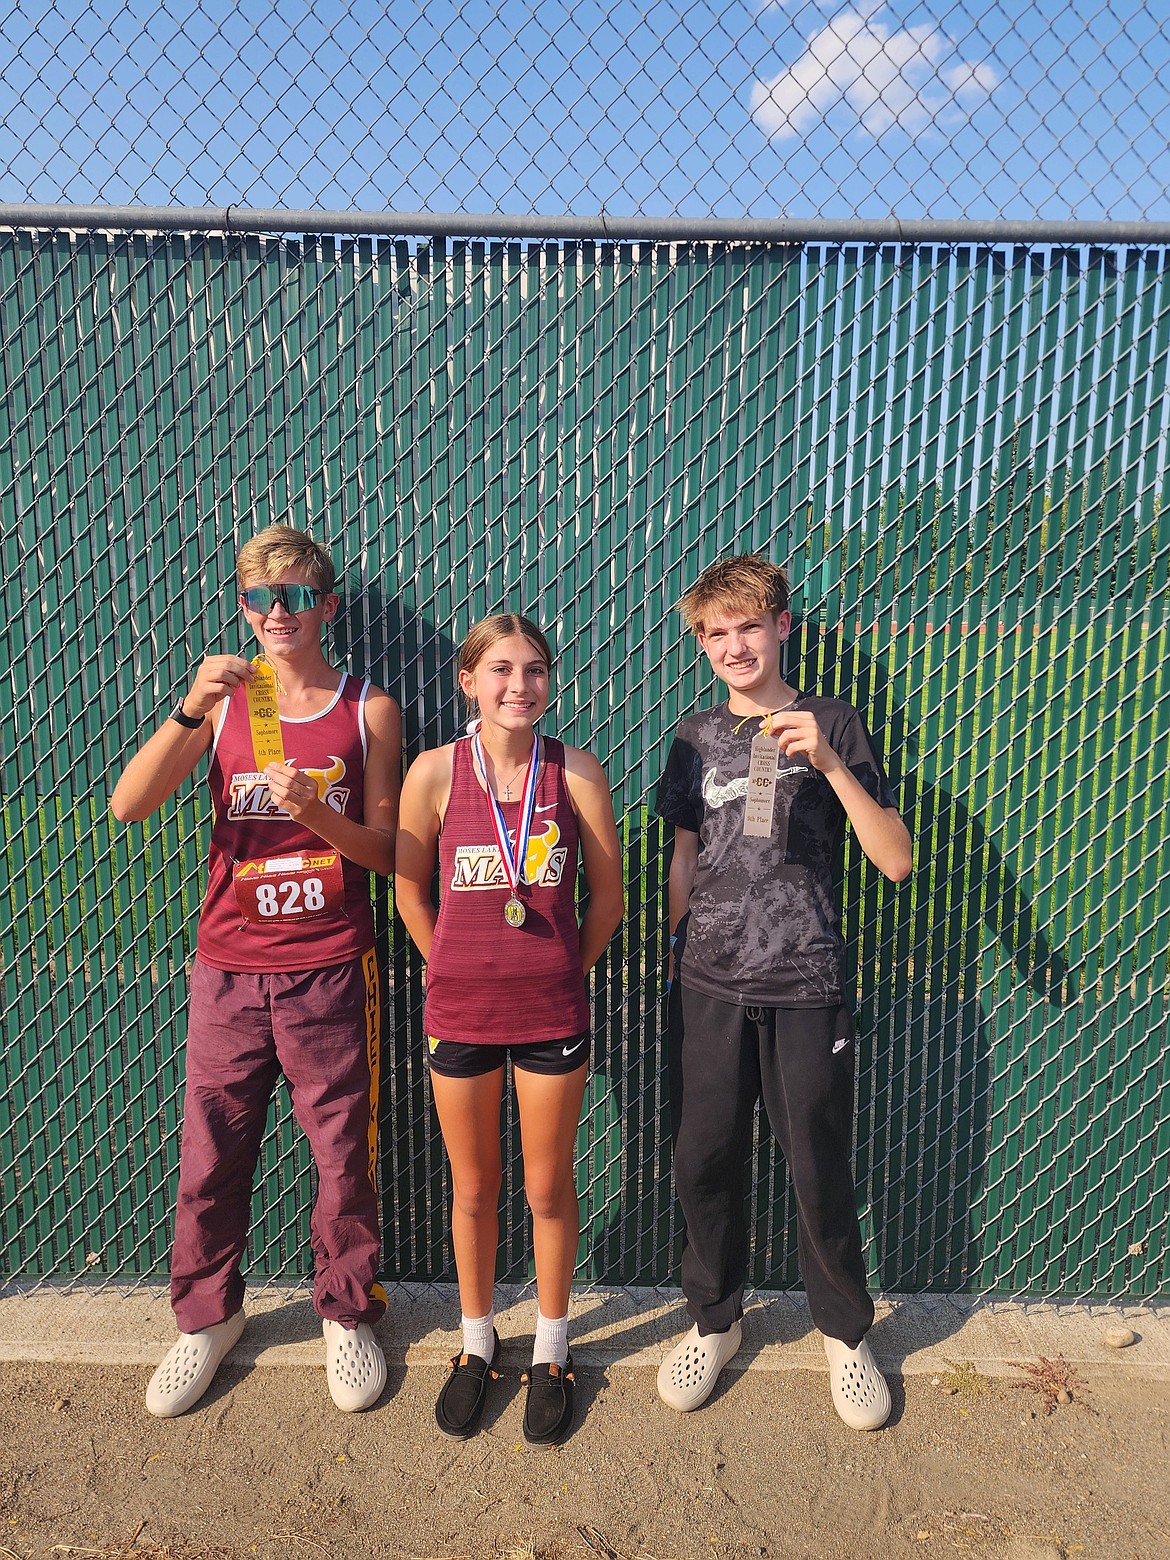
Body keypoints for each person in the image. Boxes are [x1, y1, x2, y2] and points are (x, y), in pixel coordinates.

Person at [111, 525, 401, 1418]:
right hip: (230, 969)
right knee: (212, 1152)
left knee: (341, 1154)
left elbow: (388, 853)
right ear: (243, 606)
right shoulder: (226, 700)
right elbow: (129, 805)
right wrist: (189, 711)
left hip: (328, 967)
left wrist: (319, 815)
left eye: (297, 594)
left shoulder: (367, 709)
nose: (279, 612)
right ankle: (206, 1320)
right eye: (261, 597)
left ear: (327, 605)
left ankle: (346, 1314)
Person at [653, 554, 912, 1431]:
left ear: (782, 627)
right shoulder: (692, 735)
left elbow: (898, 859)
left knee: (817, 1165)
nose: (734, 645)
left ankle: (843, 1334)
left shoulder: (832, 720)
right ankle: (713, 1321)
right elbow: (685, 853)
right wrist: (682, 947)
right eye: (715, 632)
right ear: (701, 643)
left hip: (806, 979)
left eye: (748, 627)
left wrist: (831, 761)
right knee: (705, 1158)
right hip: (710, 983)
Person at [394, 614, 624, 1445]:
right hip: (460, 1013)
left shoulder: (577, 772)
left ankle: (554, 1350)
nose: (518, 685)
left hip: (552, 1015)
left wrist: (563, 969)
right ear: (469, 681)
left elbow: (610, 899)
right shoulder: (432, 773)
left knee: (546, 1188)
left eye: (534, 670)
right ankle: (477, 1342)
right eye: (500, 670)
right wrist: (448, 960)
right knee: (475, 1189)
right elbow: (410, 894)